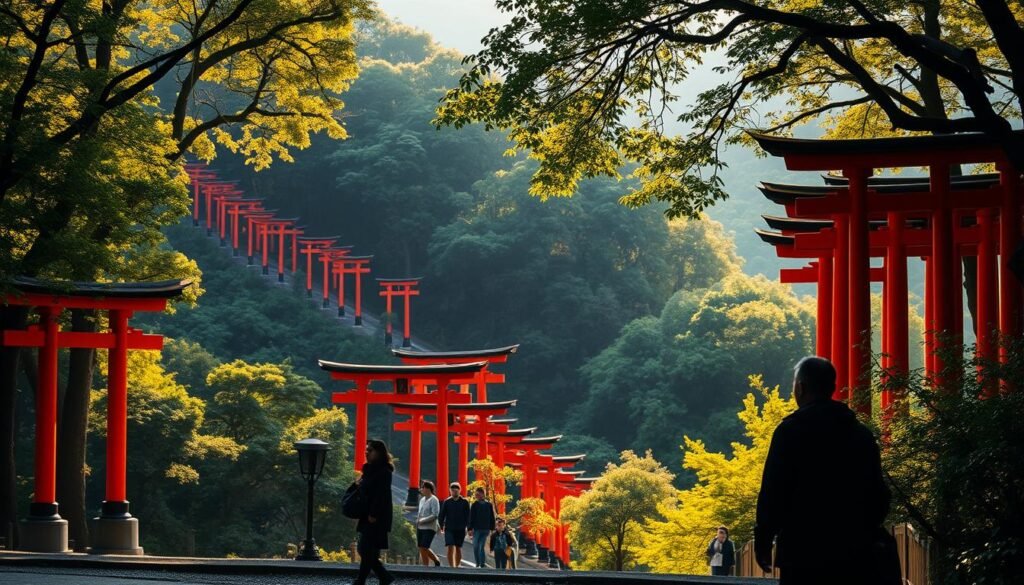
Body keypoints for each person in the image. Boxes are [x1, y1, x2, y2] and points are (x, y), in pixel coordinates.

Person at [755, 356, 890, 585]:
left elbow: (773, 493)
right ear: (832, 388)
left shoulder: (790, 432)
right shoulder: (860, 434)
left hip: (802, 552)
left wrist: (764, 540)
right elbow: (878, 494)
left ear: (801, 387)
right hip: (854, 553)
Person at [353, 439, 395, 585]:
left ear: (378, 452)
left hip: (376, 516)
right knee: (369, 551)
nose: (367, 452)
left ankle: (383, 577)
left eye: (370, 450)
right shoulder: (369, 469)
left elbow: (381, 495)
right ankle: (366, 580)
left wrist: (374, 514)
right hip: (367, 513)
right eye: (366, 450)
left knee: (365, 548)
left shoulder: (384, 471)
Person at [438, 481, 470, 568]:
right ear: (450, 491)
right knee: (450, 546)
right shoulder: (447, 502)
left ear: (460, 490)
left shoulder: (465, 502)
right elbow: (442, 515)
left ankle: (456, 566)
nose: (454, 492)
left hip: (460, 528)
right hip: (449, 528)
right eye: (452, 490)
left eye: (456, 490)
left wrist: (469, 528)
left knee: (458, 548)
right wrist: (440, 526)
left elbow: (468, 516)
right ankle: (452, 567)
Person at [414, 480, 442, 566]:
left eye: (423, 487)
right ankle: (436, 560)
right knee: (421, 547)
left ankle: (425, 567)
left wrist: (423, 520)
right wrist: (418, 521)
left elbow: (435, 515)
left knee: (424, 546)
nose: (421, 489)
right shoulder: (422, 500)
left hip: (430, 527)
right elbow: (420, 512)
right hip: (420, 527)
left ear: (428, 489)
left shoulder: (434, 500)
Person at [468, 487, 496, 567]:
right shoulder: (474, 505)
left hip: (485, 529)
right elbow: (471, 517)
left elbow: (492, 517)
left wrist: (492, 528)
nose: (477, 496)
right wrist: (470, 528)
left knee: (481, 546)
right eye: (476, 494)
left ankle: (482, 563)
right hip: (476, 529)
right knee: (476, 546)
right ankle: (477, 563)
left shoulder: (489, 505)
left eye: (479, 494)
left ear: (483, 494)